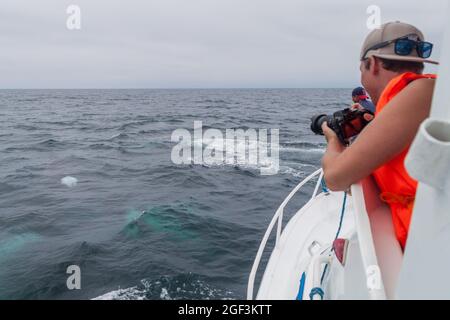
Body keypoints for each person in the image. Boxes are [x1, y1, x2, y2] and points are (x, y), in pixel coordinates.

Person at [321, 21, 438, 251]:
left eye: (361, 71)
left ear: (371, 64)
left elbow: (334, 177)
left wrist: (334, 140)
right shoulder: (424, 95)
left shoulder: (420, 93)